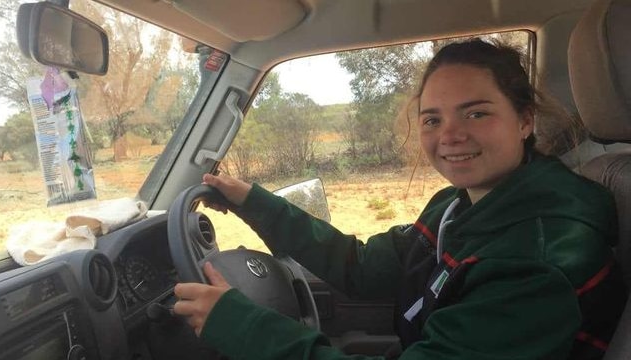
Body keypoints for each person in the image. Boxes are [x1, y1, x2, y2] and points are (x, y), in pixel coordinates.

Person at [172, 39, 626, 360]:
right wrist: (255, 201)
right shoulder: (459, 205)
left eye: (476, 112)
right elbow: (365, 268)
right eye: (433, 119)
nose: (450, 135)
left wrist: (243, 327)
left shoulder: (539, 257)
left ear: (525, 120)